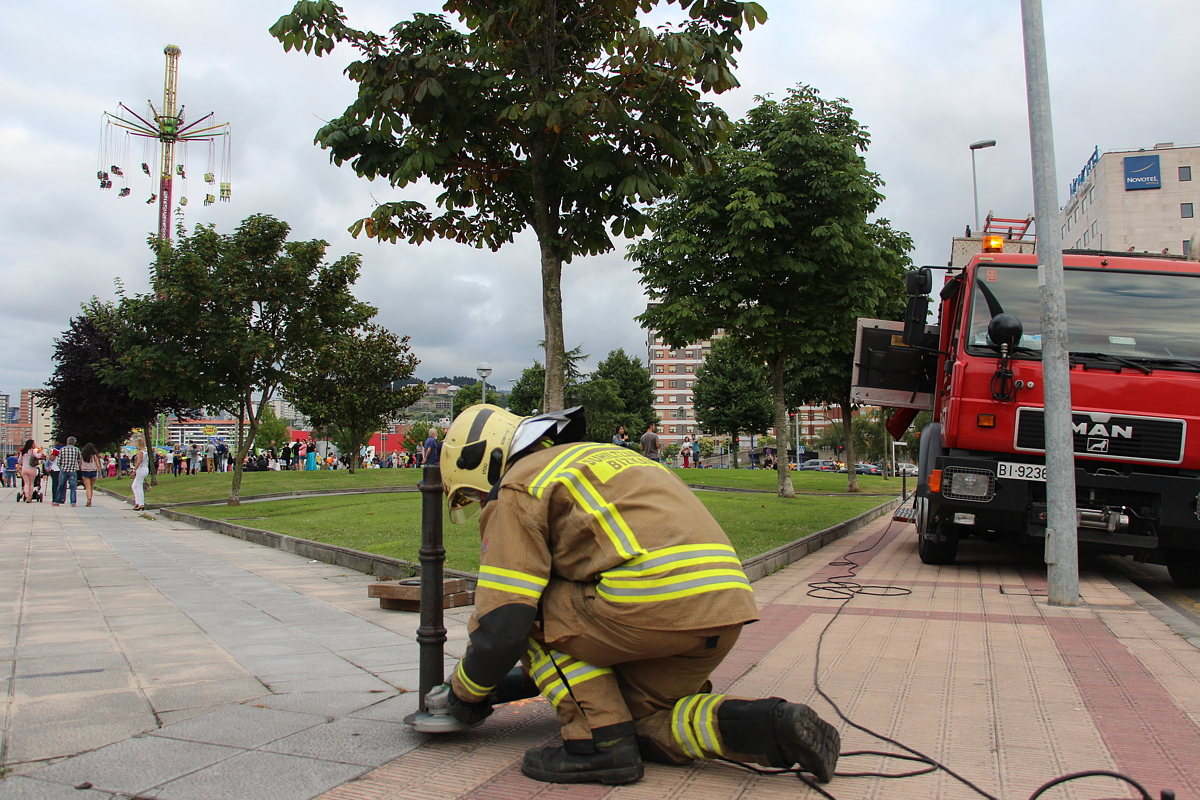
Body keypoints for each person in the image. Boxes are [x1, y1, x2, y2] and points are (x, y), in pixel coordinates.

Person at [435, 405, 841, 786]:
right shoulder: (599, 457)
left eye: (471, 494)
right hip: (723, 606)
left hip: (648, 605)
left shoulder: (518, 485)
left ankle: (598, 745)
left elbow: (504, 626)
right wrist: (506, 685)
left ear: (482, 461)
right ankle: (768, 726)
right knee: (639, 719)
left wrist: (462, 694)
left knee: (528, 609)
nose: (478, 503)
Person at [56, 436, 82, 506]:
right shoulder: (77, 450)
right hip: (73, 470)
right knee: (73, 486)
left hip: (63, 470)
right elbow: (80, 459)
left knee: (60, 485)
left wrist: (61, 467)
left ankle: (57, 501)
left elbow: (59, 461)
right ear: (74, 442)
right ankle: (73, 502)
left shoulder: (62, 449)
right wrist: (78, 467)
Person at [131, 437, 149, 510]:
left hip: (141, 469)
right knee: (134, 486)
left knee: (139, 486)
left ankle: (141, 503)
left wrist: (134, 471)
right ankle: (137, 501)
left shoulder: (140, 452)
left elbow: (138, 462)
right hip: (144, 469)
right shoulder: (145, 452)